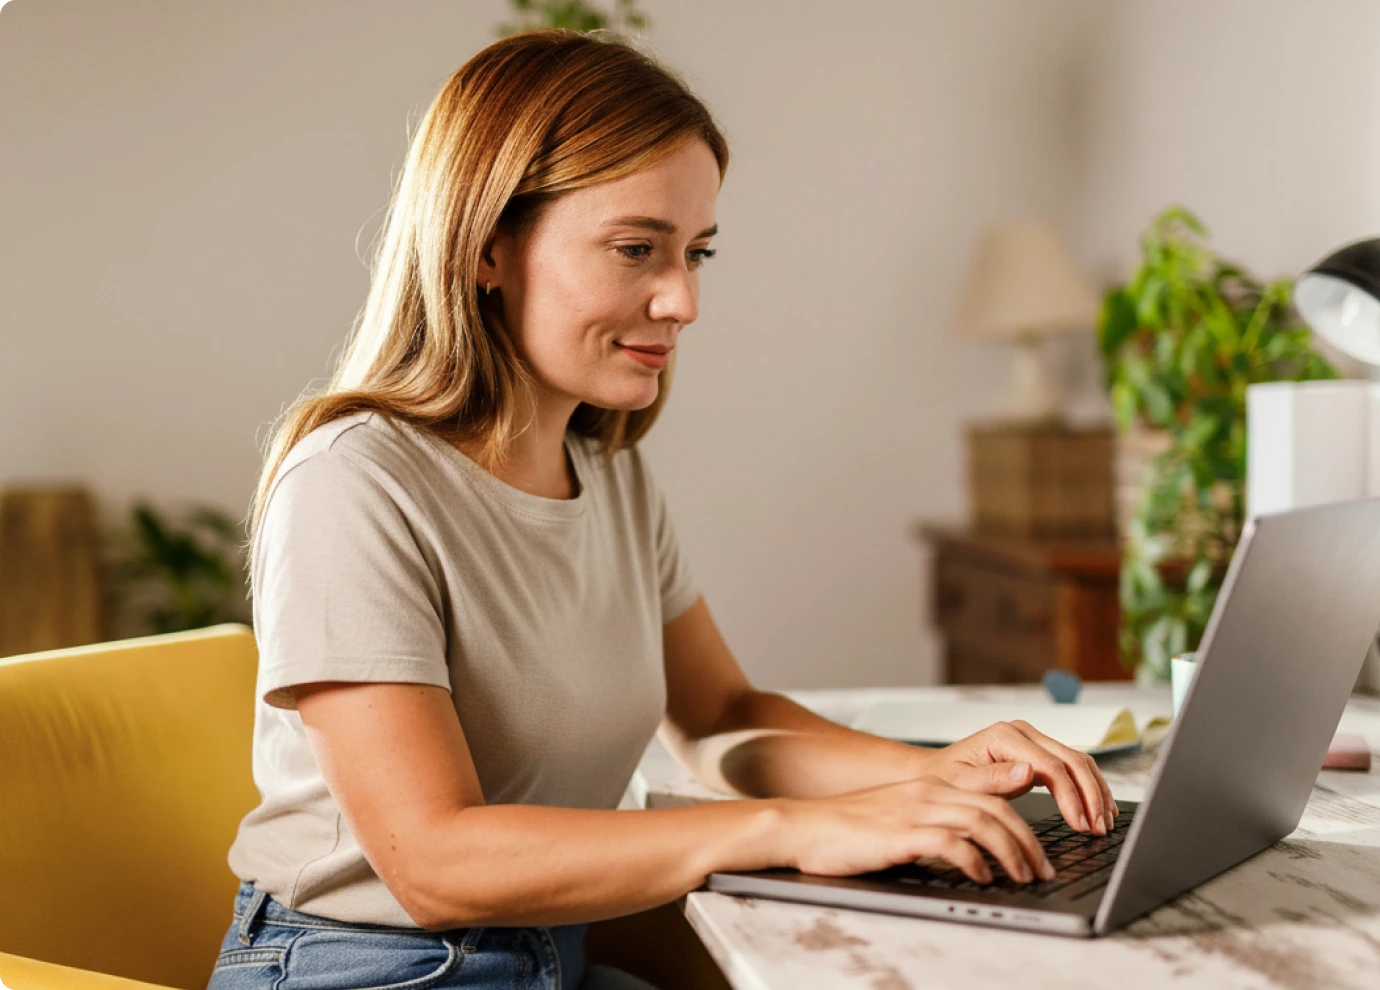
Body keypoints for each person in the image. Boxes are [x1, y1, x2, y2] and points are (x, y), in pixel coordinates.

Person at [207, 28, 1118, 990]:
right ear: (485, 249)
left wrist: (931, 774)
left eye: (696, 253)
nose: (682, 300)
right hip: (364, 967)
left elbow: (722, 714)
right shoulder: (356, 483)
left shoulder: (606, 472)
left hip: (549, 956)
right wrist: (800, 828)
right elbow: (434, 862)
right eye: (637, 249)